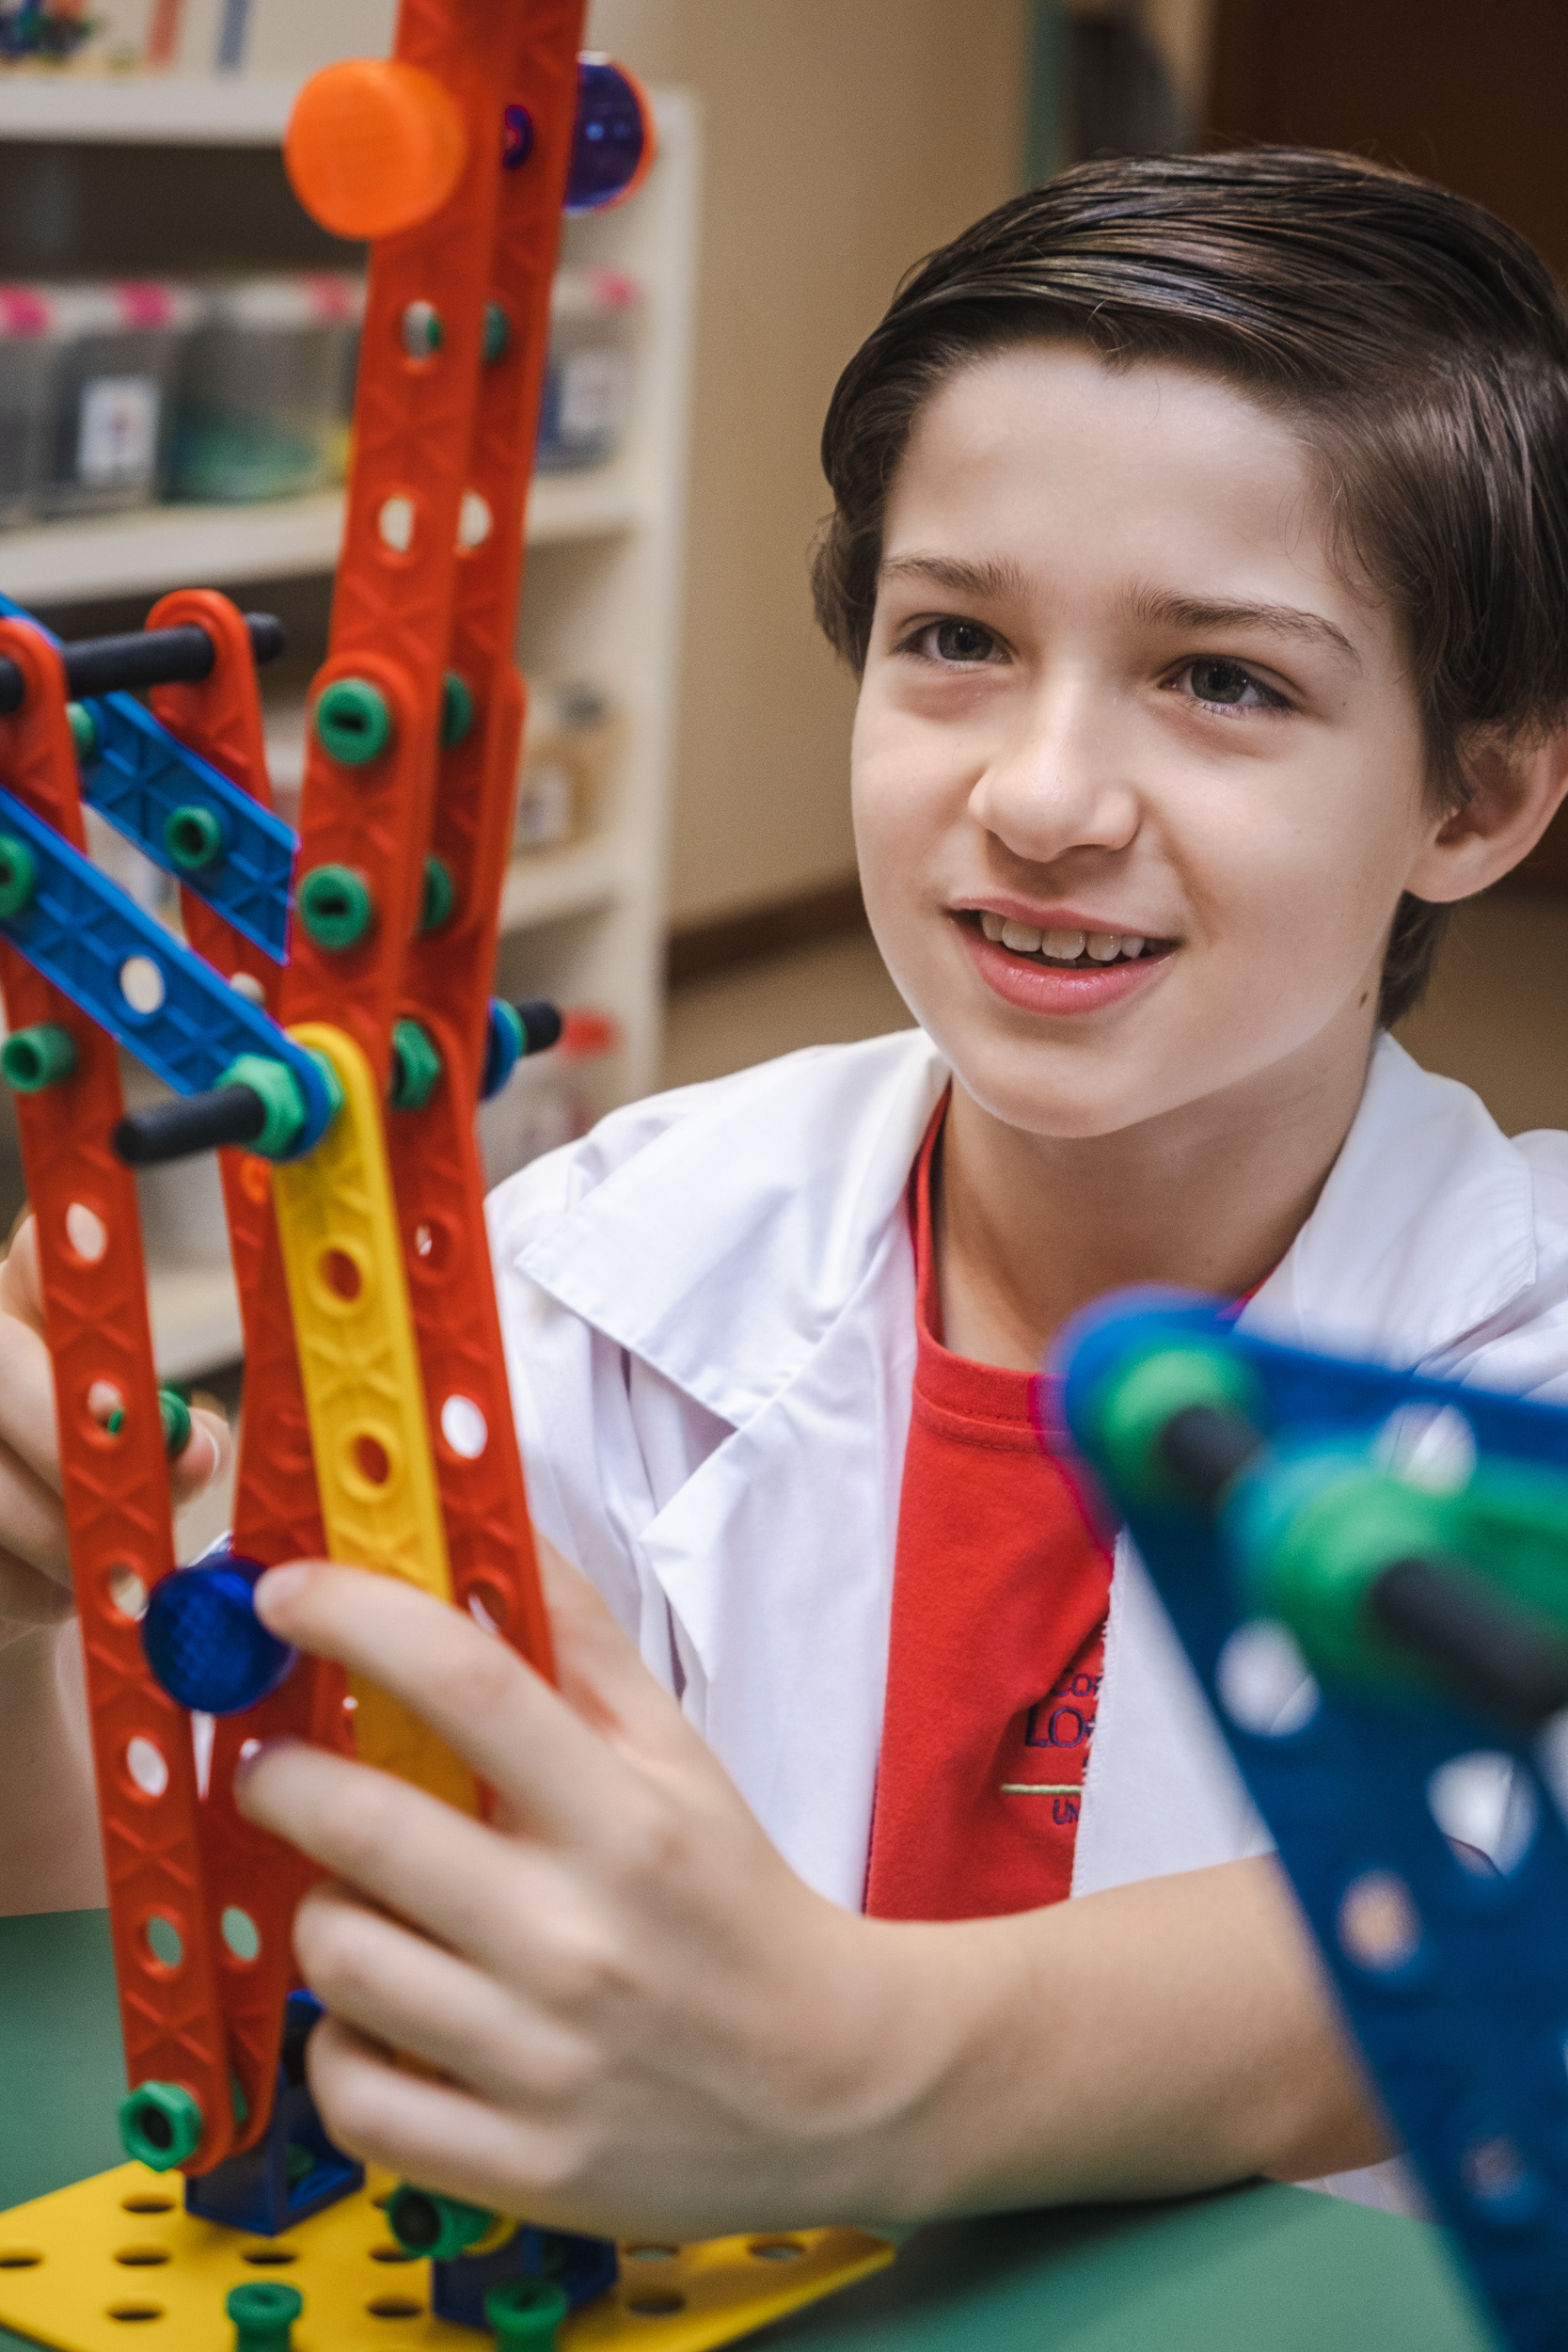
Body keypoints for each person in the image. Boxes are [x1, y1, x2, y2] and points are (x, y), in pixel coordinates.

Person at [6, 146, 1568, 2237]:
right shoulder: (602, 1267)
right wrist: (39, 1619)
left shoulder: (1525, 1359)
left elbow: (1475, 1911)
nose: (1038, 796)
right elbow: (238, 1944)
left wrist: (869, 2064)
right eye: (955, 638)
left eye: (1225, 679)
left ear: (1475, 795)